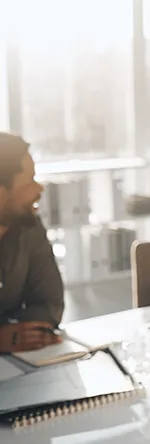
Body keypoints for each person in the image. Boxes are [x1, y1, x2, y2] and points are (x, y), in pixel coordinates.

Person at [0, 133, 64, 353]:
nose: (39, 189)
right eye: (29, 181)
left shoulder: (29, 226)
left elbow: (50, 303)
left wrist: (25, 332)